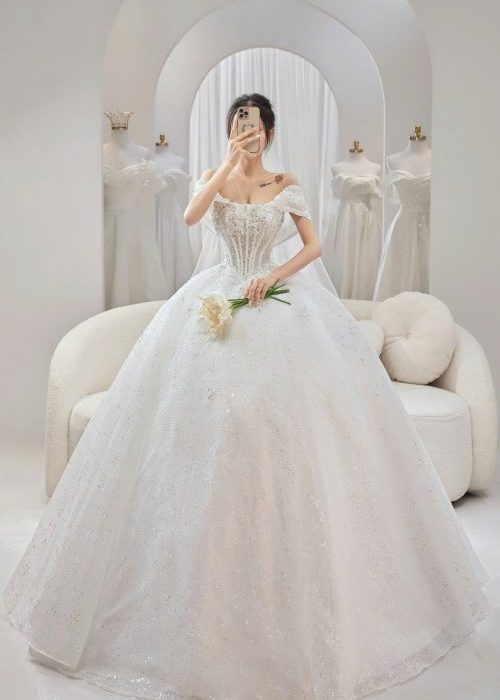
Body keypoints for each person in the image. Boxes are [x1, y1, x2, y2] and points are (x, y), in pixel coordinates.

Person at [3, 93, 490, 700]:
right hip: (216, 297)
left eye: (255, 126)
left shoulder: (287, 184)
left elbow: (313, 248)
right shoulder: (218, 177)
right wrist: (226, 167)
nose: (247, 132)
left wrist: (272, 276)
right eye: (239, 123)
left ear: (271, 132)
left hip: (274, 300)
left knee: (280, 426)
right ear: (230, 130)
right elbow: (191, 217)